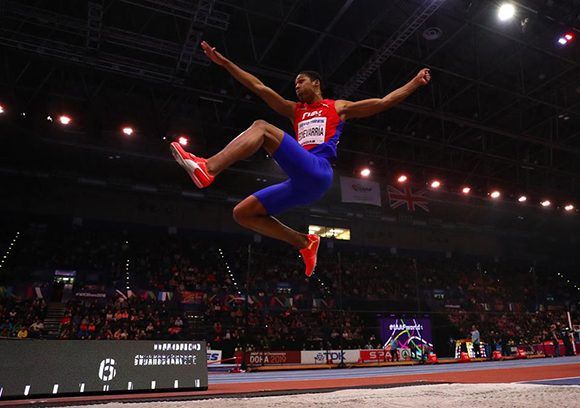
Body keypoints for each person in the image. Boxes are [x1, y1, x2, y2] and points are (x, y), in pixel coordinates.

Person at [171, 40, 431, 276]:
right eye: (295, 84)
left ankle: (208, 167)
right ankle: (304, 242)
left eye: (300, 81)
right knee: (243, 213)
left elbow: (383, 101)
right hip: (300, 182)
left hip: (319, 171)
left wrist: (415, 82)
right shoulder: (294, 111)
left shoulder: (337, 107)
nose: (296, 86)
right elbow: (258, 86)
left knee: (261, 126)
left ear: (316, 83)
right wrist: (225, 63)